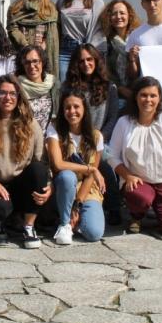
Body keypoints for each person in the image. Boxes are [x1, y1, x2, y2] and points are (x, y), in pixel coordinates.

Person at [0, 75, 49, 248]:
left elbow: (40, 161)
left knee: (38, 170)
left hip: (20, 185)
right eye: (3, 93)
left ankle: (29, 226)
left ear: (19, 97)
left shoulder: (31, 124)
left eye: (13, 94)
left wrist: (47, 184)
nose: (8, 98)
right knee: (0, 207)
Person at [108, 76, 162, 237]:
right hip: (138, 183)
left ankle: (161, 209)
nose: (148, 100)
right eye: (143, 95)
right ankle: (136, 216)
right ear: (136, 97)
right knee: (141, 198)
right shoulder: (124, 123)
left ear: (159, 99)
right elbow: (112, 155)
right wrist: (127, 175)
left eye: (153, 96)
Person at [64, 43, 122, 225]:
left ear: (96, 61)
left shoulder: (109, 87)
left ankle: (114, 207)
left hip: (100, 140)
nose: (86, 64)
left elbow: (112, 118)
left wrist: (98, 139)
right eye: (81, 61)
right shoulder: (69, 88)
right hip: (75, 140)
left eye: (90, 59)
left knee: (107, 163)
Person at [47, 89, 106, 244]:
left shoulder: (96, 136)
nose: (72, 111)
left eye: (76, 107)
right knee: (67, 175)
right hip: (64, 186)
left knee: (94, 233)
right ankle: (65, 224)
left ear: (84, 109)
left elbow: (91, 177)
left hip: (87, 189)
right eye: (67, 107)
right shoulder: (54, 130)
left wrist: (77, 205)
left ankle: (75, 220)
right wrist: (90, 168)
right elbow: (58, 164)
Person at [55, 0, 106, 81]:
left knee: (87, 84)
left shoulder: (97, 2)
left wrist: (92, 52)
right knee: (65, 86)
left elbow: (99, 31)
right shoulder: (61, 1)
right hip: (65, 51)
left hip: (87, 50)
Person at [7, 0, 60, 77]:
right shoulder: (14, 8)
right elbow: (12, 29)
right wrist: (26, 46)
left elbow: (54, 30)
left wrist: (43, 45)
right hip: (21, 55)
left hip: (44, 56)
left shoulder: (50, 8)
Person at [97, 0, 141, 104]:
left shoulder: (138, 38)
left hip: (138, 93)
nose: (118, 17)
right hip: (115, 94)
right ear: (109, 18)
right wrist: (121, 89)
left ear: (129, 16)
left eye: (122, 13)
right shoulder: (104, 43)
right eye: (114, 14)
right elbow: (105, 72)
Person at [15, 44, 60, 134]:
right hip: (26, 137)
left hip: (51, 138)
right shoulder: (16, 87)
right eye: (27, 62)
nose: (32, 66)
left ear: (42, 62)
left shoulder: (54, 84)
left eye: (35, 61)